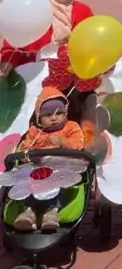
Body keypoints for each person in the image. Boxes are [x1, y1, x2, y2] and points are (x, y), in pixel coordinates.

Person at [0, 0, 93, 78]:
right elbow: (11, 46)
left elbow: (91, 43)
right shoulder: (32, 7)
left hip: (72, 72)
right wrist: (7, 65)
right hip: (35, 71)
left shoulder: (83, 10)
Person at [13, 87, 85, 232]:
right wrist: (31, 153)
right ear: (38, 116)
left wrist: (62, 142)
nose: (54, 118)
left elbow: (78, 144)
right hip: (38, 168)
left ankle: (51, 213)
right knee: (29, 179)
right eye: (48, 115)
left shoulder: (71, 127)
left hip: (63, 167)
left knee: (57, 180)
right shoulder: (34, 132)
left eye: (59, 113)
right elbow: (24, 148)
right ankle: (29, 212)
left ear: (66, 113)